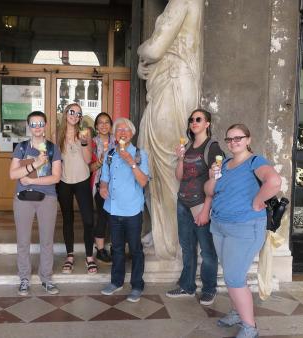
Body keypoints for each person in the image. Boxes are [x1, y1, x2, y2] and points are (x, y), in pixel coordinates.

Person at [137, 0, 205, 260]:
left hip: (173, 86)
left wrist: (141, 51)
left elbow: (154, 49)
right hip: (171, 82)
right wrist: (147, 67)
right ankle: (164, 232)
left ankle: (170, 238)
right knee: (161, 161)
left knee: (166, 164)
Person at [204, 124, 281, 338]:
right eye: (229, 139)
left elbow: (274, 181)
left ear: (248, 139)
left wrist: (258, 201)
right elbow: (208, 190)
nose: (233, 142)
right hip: (219, 225)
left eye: (238, 138)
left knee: (234, 277)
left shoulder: (255, 162)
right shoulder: (225, 164)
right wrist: (212, 176)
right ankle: (237, 312)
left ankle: (250, 327)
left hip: (245, 228)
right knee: (231, 274)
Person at [166, 109, 223, 306]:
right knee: (187, 247)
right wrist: (180, 158)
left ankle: (209, 289)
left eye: (198, 119)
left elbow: (215, 183)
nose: (194, 122)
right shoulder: (188, 146)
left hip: (200, 204)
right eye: (191, 120)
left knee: (207, 250)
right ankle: (187, 285)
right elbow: (179, 177)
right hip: (183, 201)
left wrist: (206, 209)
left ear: (207, 123)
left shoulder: (212, 148)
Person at [9, 111, 62, 296]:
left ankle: (46, 278)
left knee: (47, 240)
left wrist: (31, 180)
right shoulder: (21, 147)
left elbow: (56, 177)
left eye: (40, 123)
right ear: (29, 126)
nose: (37, 127)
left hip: (47, 198)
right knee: (23, 240)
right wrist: (35, 164)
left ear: (45, 125)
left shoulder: (53, 148)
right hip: (23, 199)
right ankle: (24, 278)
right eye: (34, 124)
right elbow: (13, 175)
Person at [100, 118, 150, 303]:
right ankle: (116, 282)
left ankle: (137, 285)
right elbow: (104, 177)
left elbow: (144, 181)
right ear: (115, 134)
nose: (122, 132)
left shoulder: (139, 154)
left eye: (126, 129)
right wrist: (103, 187)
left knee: (136, 249)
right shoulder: (110, 154)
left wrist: (131, 162)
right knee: (117, 248)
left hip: (132, 210)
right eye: (118, 129)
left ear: (132, 133)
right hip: (113, 209)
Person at [57, 103, 98, 274]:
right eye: (72, 112)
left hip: (82, 180)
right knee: (68, 219)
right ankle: (70, 256)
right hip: (64, 181)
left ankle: (90, 256)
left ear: (81, 117)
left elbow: (89, 160)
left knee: (88, 220)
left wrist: (83, 143)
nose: (75, 115)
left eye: (78, 113)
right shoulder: (57, 135)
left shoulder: (85, 133)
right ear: (66, 113)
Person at [89, 112, 115, 264]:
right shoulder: (92, 143)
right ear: (96, 126)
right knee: (103, 216)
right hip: (100, 184)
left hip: (117, 185)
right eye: (100, 122)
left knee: (116, 217)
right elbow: (89, 168)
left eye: (107, 122)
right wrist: (100, 161)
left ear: (111, 126)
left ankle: (114, 247)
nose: (104, 125)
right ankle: (99, 249)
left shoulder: (117, 142)